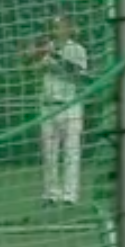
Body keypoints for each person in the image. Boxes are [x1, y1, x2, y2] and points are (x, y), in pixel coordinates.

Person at [32, 14, 89, 206]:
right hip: (47, 106)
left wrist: (54, 57)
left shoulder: (77, 49)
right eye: (54, 27)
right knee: (49, 153)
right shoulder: (46, 48)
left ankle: (70, 195)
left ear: (69, 28)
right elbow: (29, 69)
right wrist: (37, 57)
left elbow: (77, 73)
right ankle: (51, 194)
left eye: (60, 26)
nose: (57, 30)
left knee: (71, 152)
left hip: (70, 105)